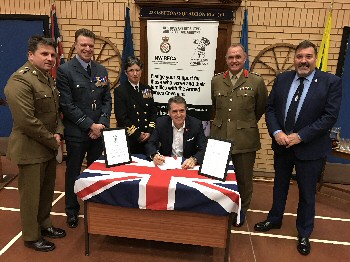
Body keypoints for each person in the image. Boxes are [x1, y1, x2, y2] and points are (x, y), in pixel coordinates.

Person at [254, 40, 342, 256]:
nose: (303, 61)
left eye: (308, 57)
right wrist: (277, 133)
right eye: (300, 56)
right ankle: (274, 219)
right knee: (279, 186)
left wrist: (301, 136)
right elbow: (271, 108)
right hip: (282, 145)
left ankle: (304, 232)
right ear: (294, 59)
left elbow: (329, 117)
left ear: (315, 58)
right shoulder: (283, 79)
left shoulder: (331, 82)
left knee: (307, 193)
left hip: (310, 149)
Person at [4, 36, 66, 252]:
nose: (50, 58)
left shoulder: (47, 78)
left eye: (52, 55)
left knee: (47, 191)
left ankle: (45, 224)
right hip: (30, 148)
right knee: (31, 196)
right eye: (45, 54)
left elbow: (55, 112)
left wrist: (59, 132)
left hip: (48, 146)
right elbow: (26, 121)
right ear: (31, 55)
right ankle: (31, 236)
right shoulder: (19, 81)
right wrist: (53, 140)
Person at [57, 28, 112, 228]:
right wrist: (90, 125)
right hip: (77, 133)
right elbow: (67, 105)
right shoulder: (65, 70)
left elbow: (107, 99)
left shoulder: (101, 70)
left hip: (98, 133)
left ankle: (95, 207)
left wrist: (102, 123)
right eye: (83, 45)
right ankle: (72, 210)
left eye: (90, 45)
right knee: (73, 172)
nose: (87, 49)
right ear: (76, 45)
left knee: (95, 171)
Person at [210, 44, 268, 226]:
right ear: (226, 60)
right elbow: (215, 107)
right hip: (219, 138)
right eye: (230, 57)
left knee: (243, 180)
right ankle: (220, 208)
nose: (234, 61)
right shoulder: (216, 80)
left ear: (245, 58)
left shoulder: (256, 82)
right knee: (219, 177)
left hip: (245, 140)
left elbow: (260, 109)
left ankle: (241, 211)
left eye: (238, 57)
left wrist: (243, 125)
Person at [145, 96, 207, 169]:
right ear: (169, 112)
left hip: (186, 165)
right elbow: (150, 143)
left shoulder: (196, 124)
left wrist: (194, 159)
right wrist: (154, 155)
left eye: (181, 111)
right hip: (166, 164)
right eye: (174, 111)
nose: (178, 114)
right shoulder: (161, 123)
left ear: (186, 110)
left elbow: (204, 148)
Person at [114, 56, 158, 154]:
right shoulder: (120, 91)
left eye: (137, 70)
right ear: (126, 72)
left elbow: (153, 112)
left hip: (147, 138)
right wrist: (138, 134)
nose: (135, 73)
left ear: (141, 71)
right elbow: (121, 118)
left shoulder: (146, 89)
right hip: (131, 139)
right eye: (131, 70)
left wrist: (149, 132)